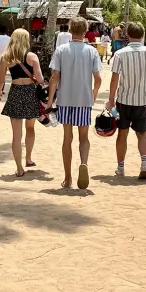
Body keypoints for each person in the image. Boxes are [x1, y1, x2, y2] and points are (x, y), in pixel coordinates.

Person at [48, 16, 102, 189]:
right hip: (84, 100)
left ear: (70, 30)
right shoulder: (91, 51)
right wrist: (93, 94)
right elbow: (98, 78)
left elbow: (55, 77)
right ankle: (84, 163)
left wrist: (50, 101)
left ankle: (68, 177)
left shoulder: (61, 50)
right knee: (84, 138)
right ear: (85, 31)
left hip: (65, 99)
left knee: (67, 138)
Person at [108, 21, 146, 181]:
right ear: (142, 35)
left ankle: (121, 167)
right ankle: (144, 164)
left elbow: (115, 78)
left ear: (127, 35)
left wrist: (111, 100)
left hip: (124, 100)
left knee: (122, 134)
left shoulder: (120, 53)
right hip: (143, 100)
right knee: (142, 133)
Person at [0, 28, 45, 176]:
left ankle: (19, 168)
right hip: (30, 92)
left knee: (16, 135)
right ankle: (28, 158)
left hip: (15, 92)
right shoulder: (32, 57)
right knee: (30, 128)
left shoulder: (6, 57)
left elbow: (1, 79)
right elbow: (41, 79)